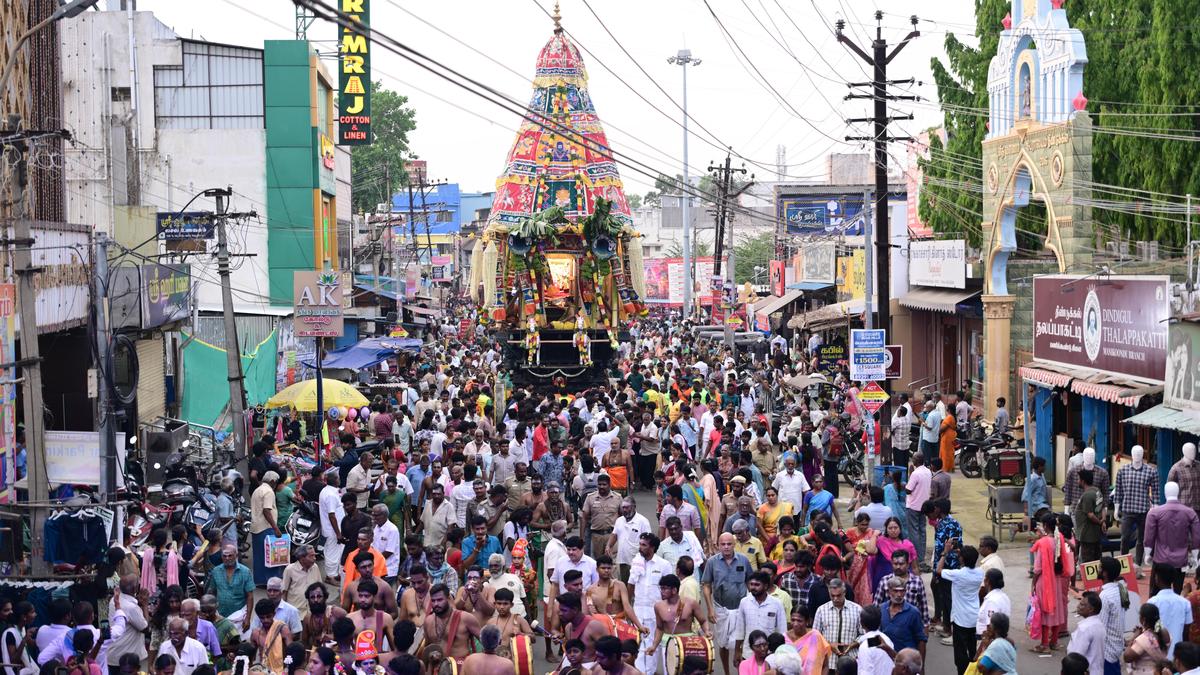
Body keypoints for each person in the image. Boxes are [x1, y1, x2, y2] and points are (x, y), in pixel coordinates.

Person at [702, 533, 752, 675]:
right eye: (723, 544)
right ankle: (726, 672)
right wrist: (710, 609)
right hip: (721, 609)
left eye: (729, 544)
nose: (726, 547)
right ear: (718, 545)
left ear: (734, 544)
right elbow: (706, 585)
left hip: (740, 608)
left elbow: (750, 582)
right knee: (723, 643)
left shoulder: (743, 560)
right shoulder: (712, 562)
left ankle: (741, 672)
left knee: (740, 643)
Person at [629, 533, 672, 675]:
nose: (640, 547)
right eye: (640, 544)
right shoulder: (636, 562)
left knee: (654, 645)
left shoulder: (663, 565)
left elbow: (668, 590)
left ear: (652, 547)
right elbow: (631, 585)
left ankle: (650, 672)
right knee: (638, 645)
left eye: (644, 545)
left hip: (655, 613)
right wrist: (628, 610)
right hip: (638, 611)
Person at [1031, 512, 1074, 654]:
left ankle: (1044, 644)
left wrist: (1033, 584)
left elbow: (1037, 568)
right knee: (1056, 610)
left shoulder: (1042, 542)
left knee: (1044, 611)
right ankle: (1054, 641)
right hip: (1056, 579)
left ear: (1044, 526)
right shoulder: (1060, 538)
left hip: (1044, 580)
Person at [938, 544, 983, 675]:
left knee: (960, 652)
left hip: (960, 619)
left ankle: (963, 672)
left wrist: (944, 553)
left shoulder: (957, 574)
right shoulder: (980, 572)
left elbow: (939, 570)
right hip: (974, 616)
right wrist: (962, 553)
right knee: (972, 648)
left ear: (962, 559)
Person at [1116, 445, 1158, 570]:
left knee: (1142, 539)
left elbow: (1155, 490)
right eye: (1135, 453)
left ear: (1143, 455)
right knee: (1125, 537)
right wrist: (1117, 508)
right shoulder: (1123, 470)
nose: (1137, 455)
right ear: (1131, 454)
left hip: (1143, 510)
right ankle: (1123, 565)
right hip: (1127, 509)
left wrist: (1155, 506)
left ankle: (1138, 564)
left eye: (1140, 453)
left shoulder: (1151, 471)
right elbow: (1118, 490)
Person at [732, 572, 788, 661]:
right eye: (751, 584)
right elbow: (740, 630)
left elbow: (782, 631)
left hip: (769, 655)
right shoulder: (744, 602)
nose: (753, 587)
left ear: (765, 586)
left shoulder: (777, 604)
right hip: (748, 654)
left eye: (757, 585)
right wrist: (737, 652)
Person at [1145, 481, 1200, 569]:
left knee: (1161, 583)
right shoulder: (1190, 512)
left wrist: (1147, 554)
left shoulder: (1154, 513)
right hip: (1181, 561)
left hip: (1161, 559)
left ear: (1165, 493)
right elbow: (1196, 536)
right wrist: (1195, 555)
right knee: (1179, 582)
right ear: (1178, 492)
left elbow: (1149, 535)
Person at [424, 583, 483, 665]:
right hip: (438, 669)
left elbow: (487, 643)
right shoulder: (428, 621)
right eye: (433, 601)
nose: (436, 604)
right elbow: (427, 648)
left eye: (440, 600)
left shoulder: (465, 618)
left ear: (448, 598)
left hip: (461, 668)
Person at [813, 578, 862, 671]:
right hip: (828, 663)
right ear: (829, 593)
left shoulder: (857, 610)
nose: (835, 599)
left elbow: (864, 635)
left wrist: (852, 645)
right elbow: (815, 637)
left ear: (844, 593)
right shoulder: (821, 610)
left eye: (838, 595)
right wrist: (829, 645)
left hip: (851, 662)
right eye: (832, 596)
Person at [872, 550, 930, 628]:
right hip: (889, 625)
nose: (898, 567)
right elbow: (876, 606)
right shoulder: (885, 581)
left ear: (908, 564)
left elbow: (923, 606)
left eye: (901, 564)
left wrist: (925, 626)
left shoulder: (917, 581)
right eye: (895, 564)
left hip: (911, 625)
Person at [1147, 564, 1192, 659]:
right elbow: (1186, 631)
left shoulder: (1152, 602)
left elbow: (1149, 630)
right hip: (1177, 656)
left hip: (1158, 656)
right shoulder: (1184, 602)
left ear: (1157, 578)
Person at [879, 577, 926, 664]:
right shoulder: (881, 609)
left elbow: (921, 640)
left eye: (902, 591)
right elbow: (877, 635)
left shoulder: (913, 612)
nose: (899, 594)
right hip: (885, 661)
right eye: (895, 591)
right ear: (889, 592)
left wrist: (921, 667)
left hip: (906, 664)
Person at [249, 471, 283, 586]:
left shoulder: (257, 490)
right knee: (269, 556)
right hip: (265, 527)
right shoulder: (269, 492)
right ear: (273, 481)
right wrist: (276, 528)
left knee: (259, 556)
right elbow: (266, 510)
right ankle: (269, 580)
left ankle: (260, 580)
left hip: (256, 527)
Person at [782, 605, 831, 675]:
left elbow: (825, 666)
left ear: (807, 621)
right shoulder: (784, 638)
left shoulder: (816, 637)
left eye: (799, 621)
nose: (795, 624)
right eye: (793, 620)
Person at [1125, 603, 1170, 675]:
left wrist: (1134, 637)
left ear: (1143, 619)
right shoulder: (1164, 632)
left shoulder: (1144, 638)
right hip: (1160, 671)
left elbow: (1127, 657)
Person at [904, 453, 931, 570]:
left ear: (916, 461)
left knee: (914, 532)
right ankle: (921, 557)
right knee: (922, 531)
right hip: (923, 506)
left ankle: (917, 559)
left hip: (913, 506)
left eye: (913, 459)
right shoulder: (928, 471)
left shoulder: (915, 474)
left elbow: (908, 490)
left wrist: (910, 474)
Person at [1067, 592, 1105, 675]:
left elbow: (1076, 656)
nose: (1078, 606)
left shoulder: (1084, 628)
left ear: (1091, 609)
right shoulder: (1100, 625)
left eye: (1082, 605)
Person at [281, 544, 322, 617]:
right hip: (296, 614)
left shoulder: (315, 567)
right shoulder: (290, 570)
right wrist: (283, 613)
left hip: (312, 613)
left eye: (314, 555)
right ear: (302, 558)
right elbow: (284, 592)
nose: (315, 558)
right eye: (311, 556)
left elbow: (320, 589)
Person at [1074, 469, 1104, 564]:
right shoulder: (1097, 491)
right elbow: (1102, 508)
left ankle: (1090, 579)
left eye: (1078, 479)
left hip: (1087, 536)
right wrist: (1103, 521)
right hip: (1095, 535)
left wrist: (1100, 523)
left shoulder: (1087, 495)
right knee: (1097, 560)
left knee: (1088, 563)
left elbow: (1090, 515)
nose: (1077, 481)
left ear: (1083, 481)